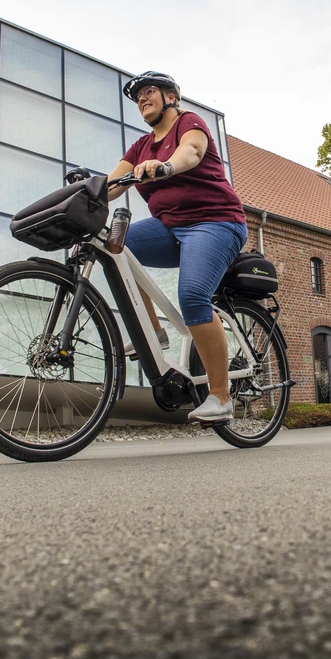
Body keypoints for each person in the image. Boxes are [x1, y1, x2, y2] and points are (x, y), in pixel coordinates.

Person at [107, 72, 247, 425]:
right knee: (116, 246)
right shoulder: (140, 147)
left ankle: (220, 396)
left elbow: (192, 152)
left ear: (170, 97)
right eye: (137, 97)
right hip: (170, 227)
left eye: (149, 91)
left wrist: (165, 166)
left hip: (215, 222)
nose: (142, 99)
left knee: (192, 296)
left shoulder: (189, 122)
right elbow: (111, 184)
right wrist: (84, 193)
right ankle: (153, 331)